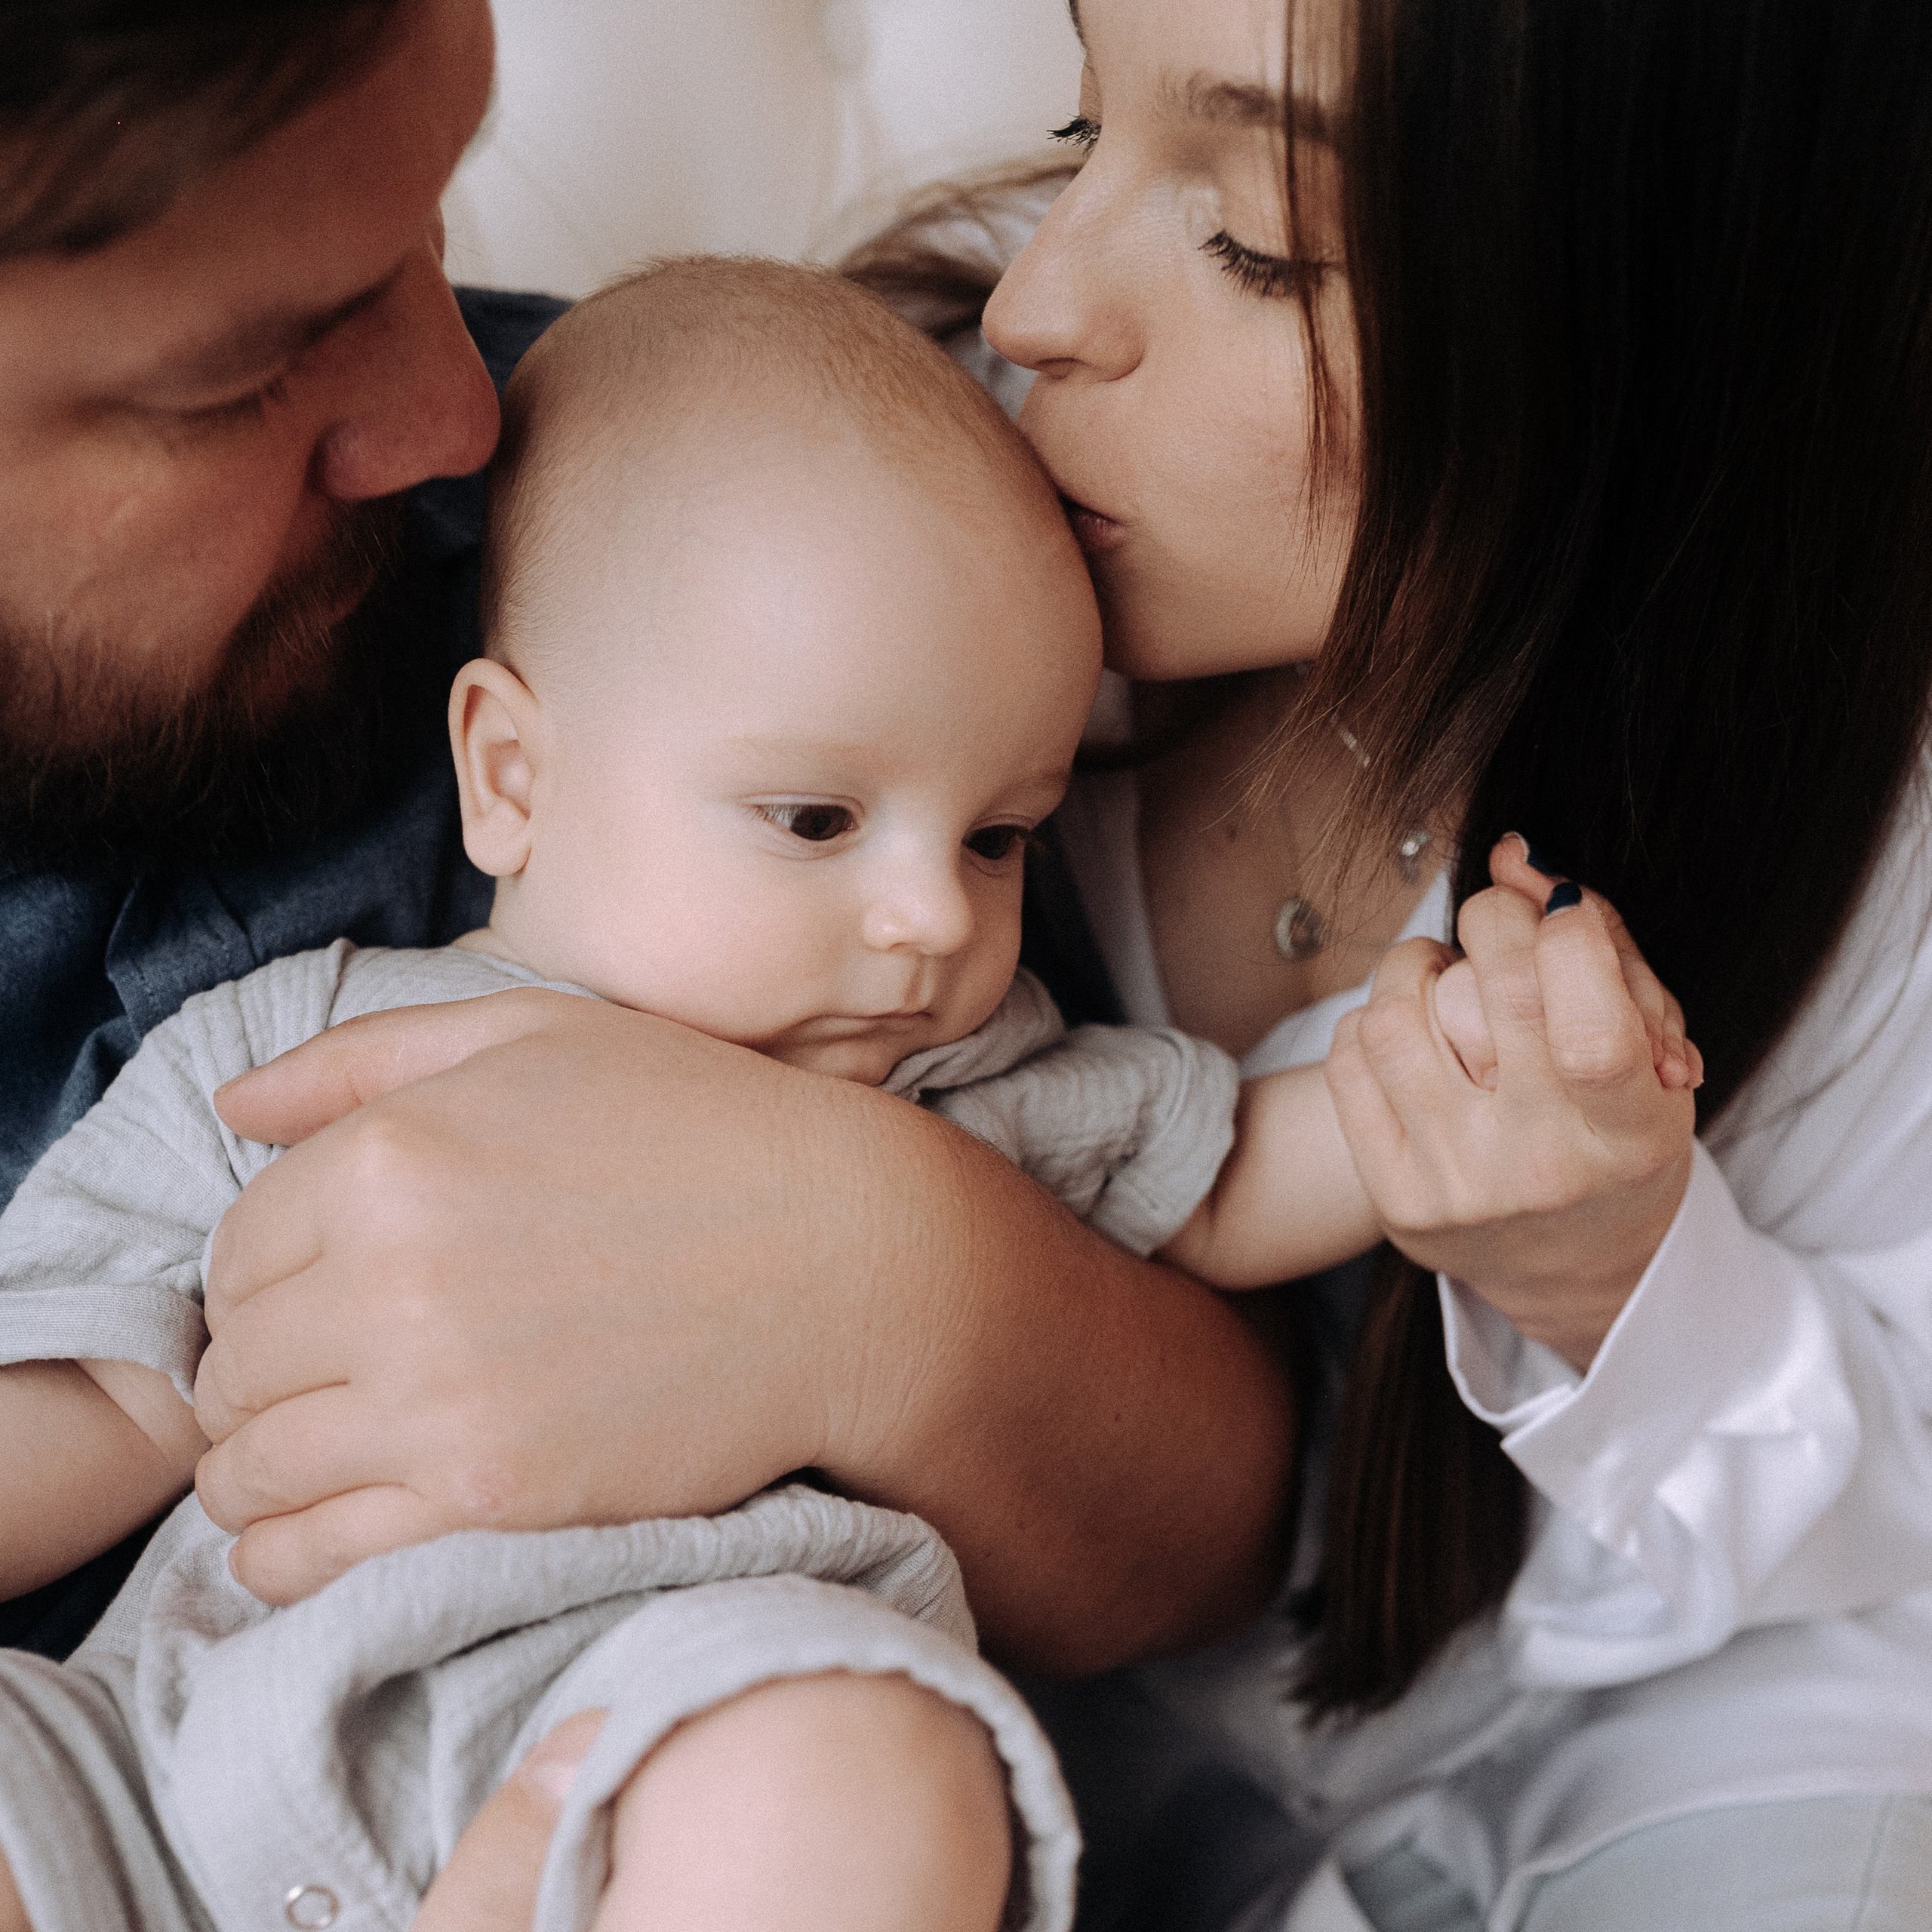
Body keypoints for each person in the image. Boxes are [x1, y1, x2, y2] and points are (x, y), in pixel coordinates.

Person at [196, 2, 1932, 1930]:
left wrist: (1607, 1277)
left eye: (1257, 237)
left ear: (1665, 319)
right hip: (1053, 1764)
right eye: (1078, 126)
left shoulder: (1855, 826)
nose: (1036, 304)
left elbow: (1875, 1532)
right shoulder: (855, 521)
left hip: (1697, 1737)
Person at [1, 251, 1432, 1932]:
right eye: (816, 821)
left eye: (996, 834)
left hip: (667, 1705)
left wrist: (1443, 1081)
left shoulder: (953, 1081)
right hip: (168, 1765)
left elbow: (1234, 1173)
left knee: (864, 1768)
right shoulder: (293, 1050)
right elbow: (99, 1385)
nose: (934, 919)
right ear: (512, 775)